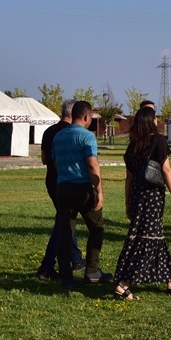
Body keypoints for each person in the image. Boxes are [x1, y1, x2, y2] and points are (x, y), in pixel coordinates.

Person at [113, 106, 171, 300]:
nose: (157, 121)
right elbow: (166, 170)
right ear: (151, 122)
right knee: (147, 239)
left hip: (137, 194)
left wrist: (128, 202)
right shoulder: (159, 141)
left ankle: (170, 281)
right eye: (155, 119)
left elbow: (128, 177)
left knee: (154, 236)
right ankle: (123, 283)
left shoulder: (133, 145)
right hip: (152, 196)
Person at [50, 101, 107, 290]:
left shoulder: (58, 136)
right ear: (86, 117)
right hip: (82, 188)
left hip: (63, 188)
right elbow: (92, 165)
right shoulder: (87, 137)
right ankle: (92, 271)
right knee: (96, 228)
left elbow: (55, 163)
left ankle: (66, 276)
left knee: (65, 233)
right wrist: (99, 190)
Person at [34, 99, 84, 280]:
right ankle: (47, 266)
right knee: (63, 224)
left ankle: (76, 258)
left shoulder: (48, 131)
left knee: (66, 219)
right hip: (66, 182)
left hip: (51, 180)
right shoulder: (70, 133)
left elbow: (45, 159)